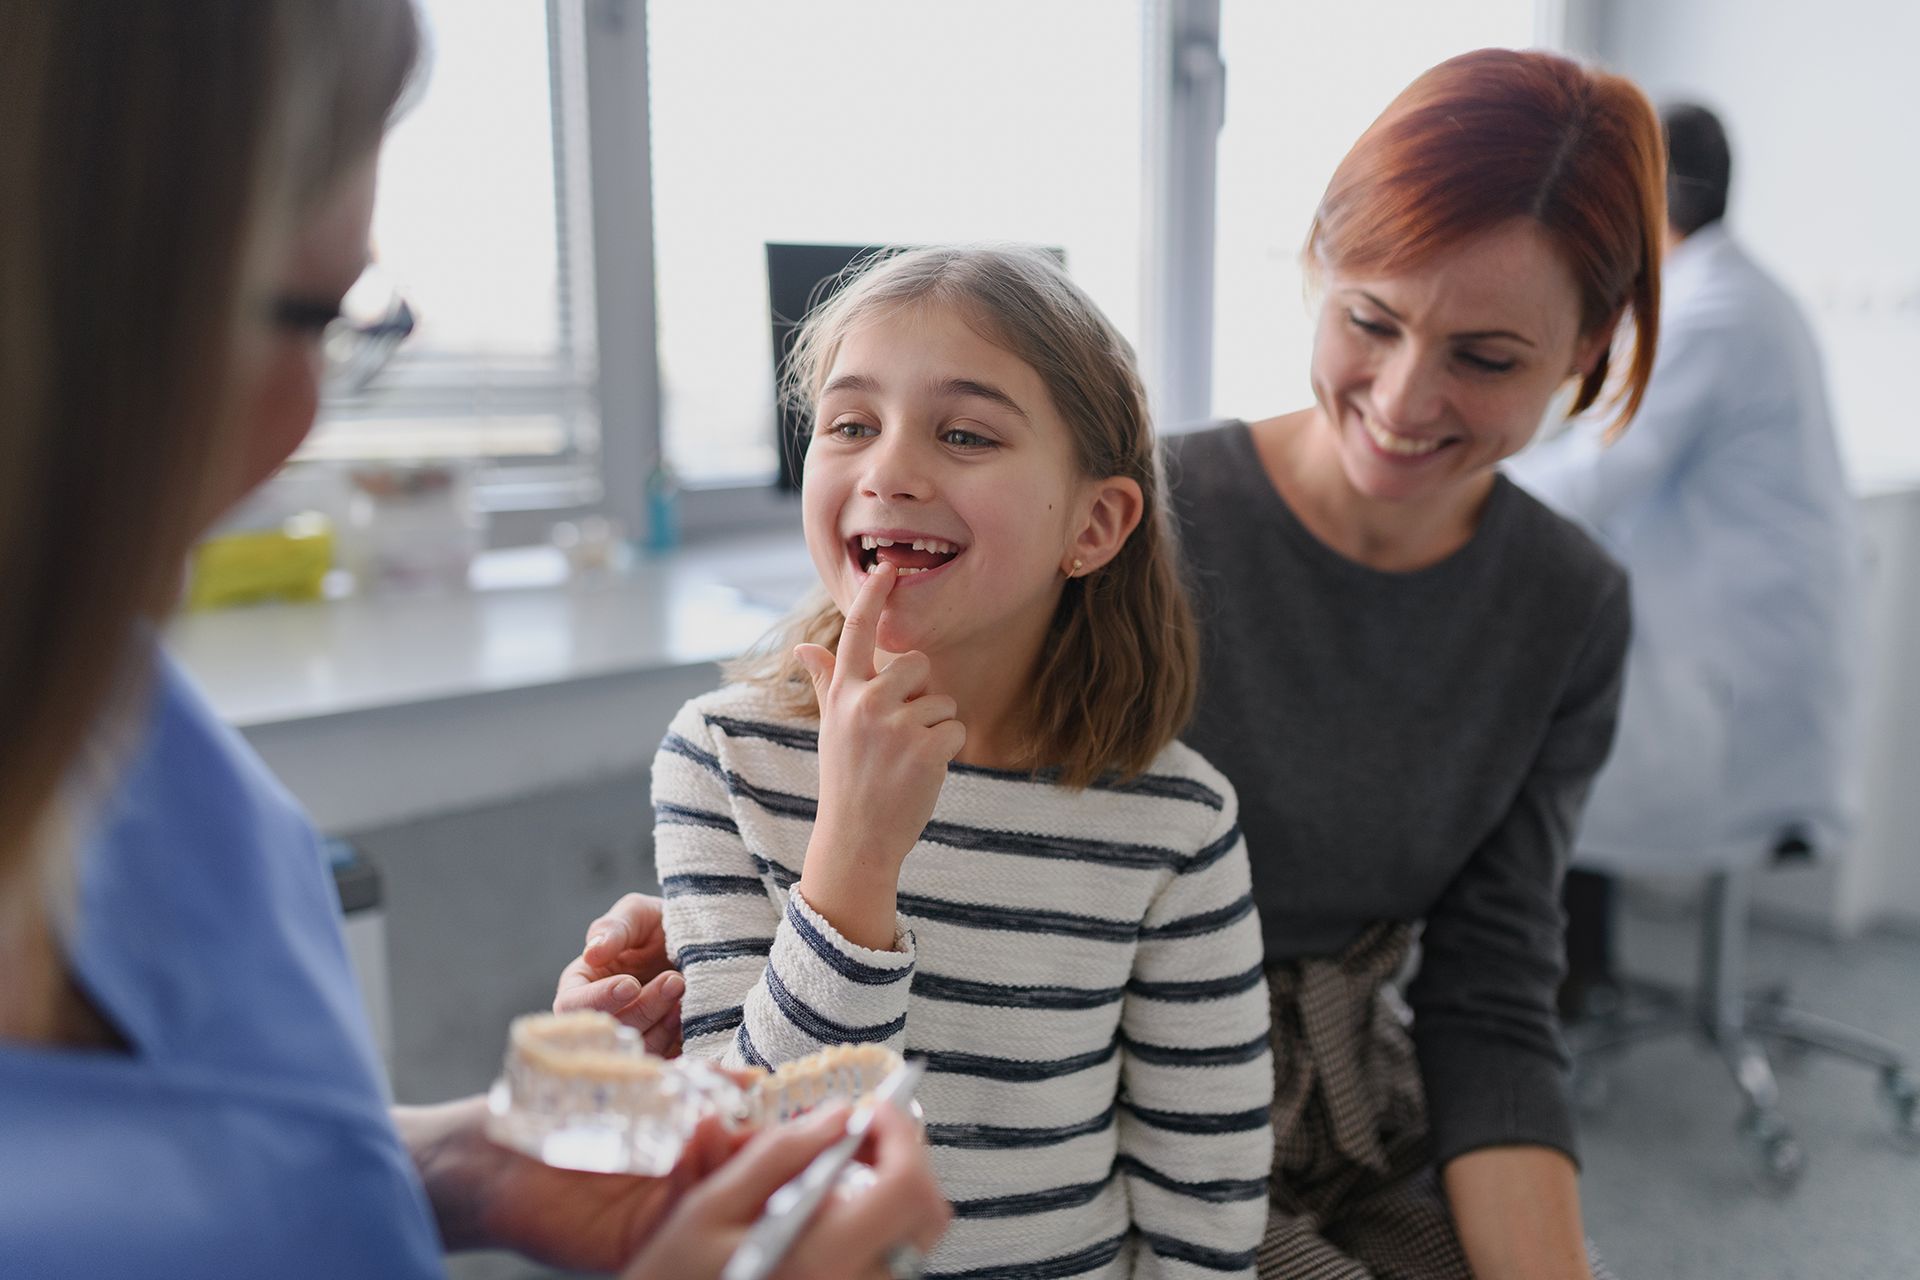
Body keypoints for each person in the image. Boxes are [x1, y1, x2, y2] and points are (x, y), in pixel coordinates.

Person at [562, 46, 1661, 1280]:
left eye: (1487, 356)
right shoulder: (1066, 524)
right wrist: (808, 893)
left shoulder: (1560, 607)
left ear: (1589, 350)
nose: (1405, 396)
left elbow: (1491, 994)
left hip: (1326, 1112)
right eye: (1372, 321)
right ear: (1318, 273)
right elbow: (751, 1146)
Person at [0, 4, 946, 1276]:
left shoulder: (115, 704)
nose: (306, 418)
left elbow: (221, 1146)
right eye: (311, 315)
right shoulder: (719, 752)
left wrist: (455, 1159)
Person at [620, 245, 1274, 1277]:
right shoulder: (724, 758)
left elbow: (1208, 1186)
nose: (887, 470)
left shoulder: (1175, 821)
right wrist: (854, 858)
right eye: (849, 425)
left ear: (1095, 525)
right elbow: (743, 1165)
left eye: (965, 433)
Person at [1507, 102, 1857, 1008]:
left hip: (1731, 684)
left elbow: (1601, 472)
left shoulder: (1708, 312)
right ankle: (1587, 977)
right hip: (1755, 661)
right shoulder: (1740, 295)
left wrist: (1452, 480)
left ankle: (1555, 995)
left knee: (1540, 753)